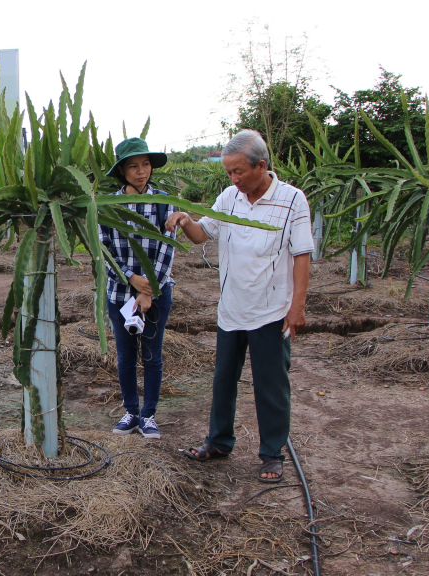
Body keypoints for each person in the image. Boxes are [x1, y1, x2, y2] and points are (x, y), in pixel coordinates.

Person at [165, 130, 313, 482]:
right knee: (223, 380)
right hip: (232, 309)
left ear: (261, 166)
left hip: (271, 310)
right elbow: (204, 233)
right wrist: (187, 221)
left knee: (270, 384)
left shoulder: (292, 200)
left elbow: (302, 254)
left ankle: (272, 453)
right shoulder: (229, 198)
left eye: (239, 172)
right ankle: (218, 442)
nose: (233, 179)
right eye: (229, 173)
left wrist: (298, 306)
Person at [99, 137, 178, 440]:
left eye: (145, 164)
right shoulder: (107, 205)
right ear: (122, 171)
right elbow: (103, 249)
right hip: (119, 292)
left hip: (156, 292)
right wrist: (130, 278)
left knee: (152, 355)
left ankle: (149, 415)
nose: (141, 171)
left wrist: (148, 290)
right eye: (133, 166)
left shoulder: (164, 202)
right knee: (125, 355)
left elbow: (169, 249)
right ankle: (131, 411)